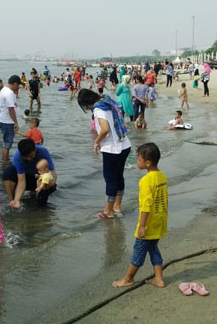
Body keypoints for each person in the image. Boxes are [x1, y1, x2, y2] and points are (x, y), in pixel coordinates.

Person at [112, 143, 167, 288]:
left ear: (147, 163)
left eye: (138, 159)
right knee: (153, 249)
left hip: (148, 224)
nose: (137, 162)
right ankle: (159, 279)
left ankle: (128, 278)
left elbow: (146, 205)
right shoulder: (162, 176)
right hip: (159, 221)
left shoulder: (145, 181)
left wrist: (142, 226)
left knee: (139, 251)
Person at [77, 89, 132, 218]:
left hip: (112, 149)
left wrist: (96, 141)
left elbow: (105, 129)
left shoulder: (98, 109)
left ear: (87, 103)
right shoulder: (107, 102)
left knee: (110, 179)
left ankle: (108, 211)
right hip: (124, 144)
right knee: (119, 176)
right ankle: (117, 207)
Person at [2, 138, 57, 209]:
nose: (29, 159)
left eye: (31, 156)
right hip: (26, 177)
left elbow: (53, 173)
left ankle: (41, 208)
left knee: (40, 203)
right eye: (25, 157)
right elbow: (21, 181)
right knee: (8, 171)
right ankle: (12, 201)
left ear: (35, 149)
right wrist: (17, 199)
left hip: (39, 179)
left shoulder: (43, 151)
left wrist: (48, 184)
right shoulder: (17, 156)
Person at [0, 75, 21, 163]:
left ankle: (5, 160)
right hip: (8, 122)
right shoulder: (9, 93)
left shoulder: (5, 89)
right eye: (18, 85)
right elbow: (11, 109)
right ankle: (5, 162)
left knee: (7, 142)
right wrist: (15, 122)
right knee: (7, 143)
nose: (18, 87)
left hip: (5, 120)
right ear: (15, 83)